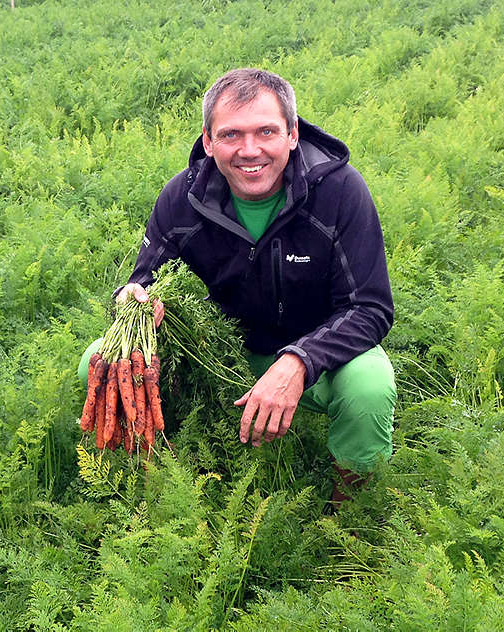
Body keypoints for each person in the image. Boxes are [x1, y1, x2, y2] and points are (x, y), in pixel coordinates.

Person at [117, 68, 395, 507]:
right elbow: (145, 279)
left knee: (368, 385)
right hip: (218, 355)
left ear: (292, 134)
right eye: (231, 134)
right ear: (209, 141)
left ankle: (350, 516)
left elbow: (369, 308)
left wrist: (299, 361)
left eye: (266, 131)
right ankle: (145, 494)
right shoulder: (183, 198)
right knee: (99, 362)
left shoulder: (340, 191)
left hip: (319, 355)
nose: (250, 150)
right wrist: (134, 300)